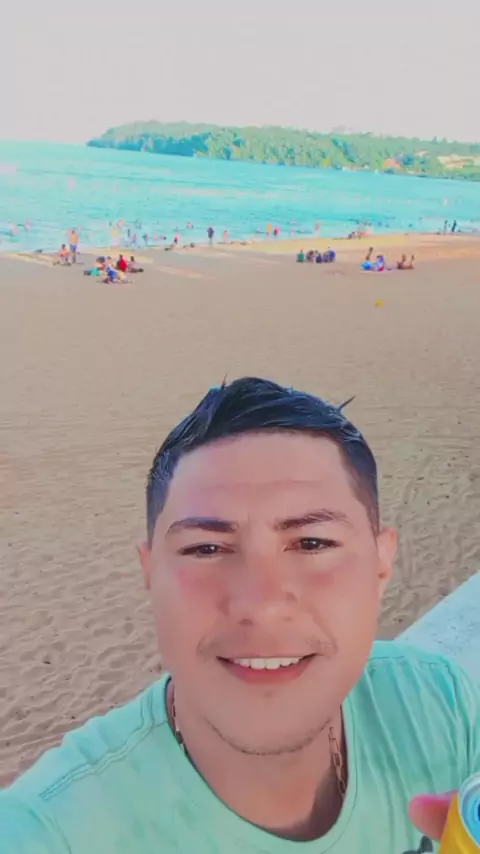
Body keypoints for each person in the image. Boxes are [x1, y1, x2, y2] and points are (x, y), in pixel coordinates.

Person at [1, 377, 479, 853]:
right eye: (206, 548)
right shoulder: (52, 832)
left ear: (381, 564)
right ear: (150, 571)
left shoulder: (439, 702)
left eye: (312, 543)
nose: (261, 604)